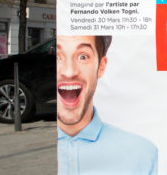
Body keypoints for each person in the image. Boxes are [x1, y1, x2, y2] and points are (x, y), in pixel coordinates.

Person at [57, 35, 157, 174]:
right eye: (57, 57)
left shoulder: (143, 154)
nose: (69, 72)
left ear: (101, 66)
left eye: (83, 57)